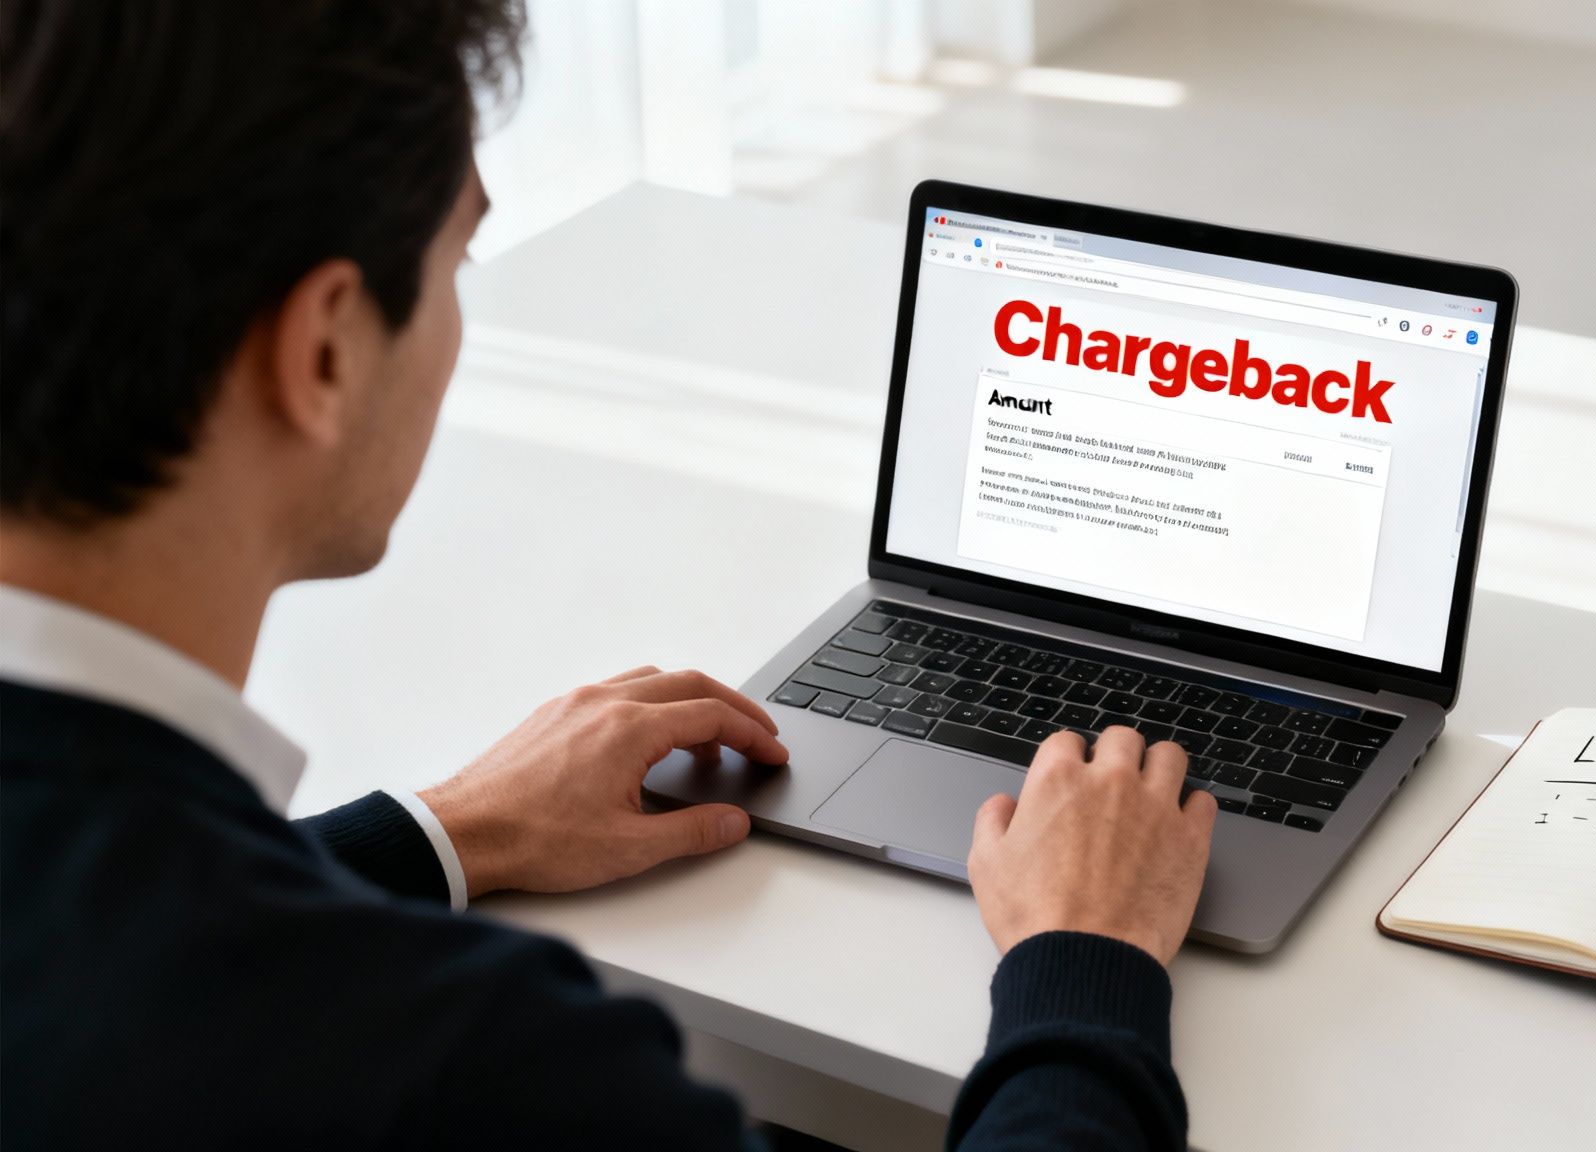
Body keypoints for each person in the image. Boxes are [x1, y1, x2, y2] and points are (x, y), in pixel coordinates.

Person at [0, 3, 1219, 1149]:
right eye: (458, 258)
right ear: (321, 347)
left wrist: (442, 831)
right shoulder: (468, 1063)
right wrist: (1085, 961)